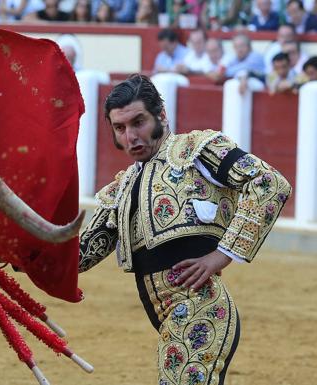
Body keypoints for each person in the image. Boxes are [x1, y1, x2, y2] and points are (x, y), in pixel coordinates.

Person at [78, 74, 291, 385]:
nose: (131, 136)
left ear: (161, 115)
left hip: (201, 310)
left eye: (139, 122)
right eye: (120, 128)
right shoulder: (121, 188)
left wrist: (221, 255)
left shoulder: (196, 150)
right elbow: (80, 255)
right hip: (168, 318)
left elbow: (270, 183)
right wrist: (16, 249)